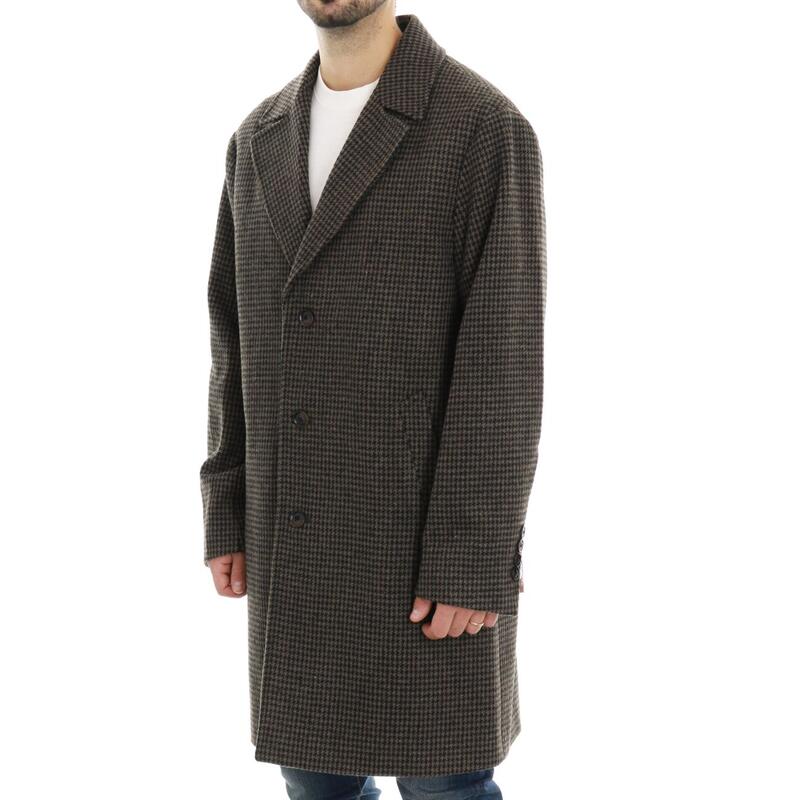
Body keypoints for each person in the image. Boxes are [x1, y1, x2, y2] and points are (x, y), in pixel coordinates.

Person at [200, 2, 546, 798]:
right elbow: (232, 336)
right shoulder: (256, 139)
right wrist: (227, 505)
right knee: (314, 785)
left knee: (446, 786)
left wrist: (473, 561)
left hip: (424, 553)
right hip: (295, 547)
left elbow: (504, 364)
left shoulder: (482, 128)